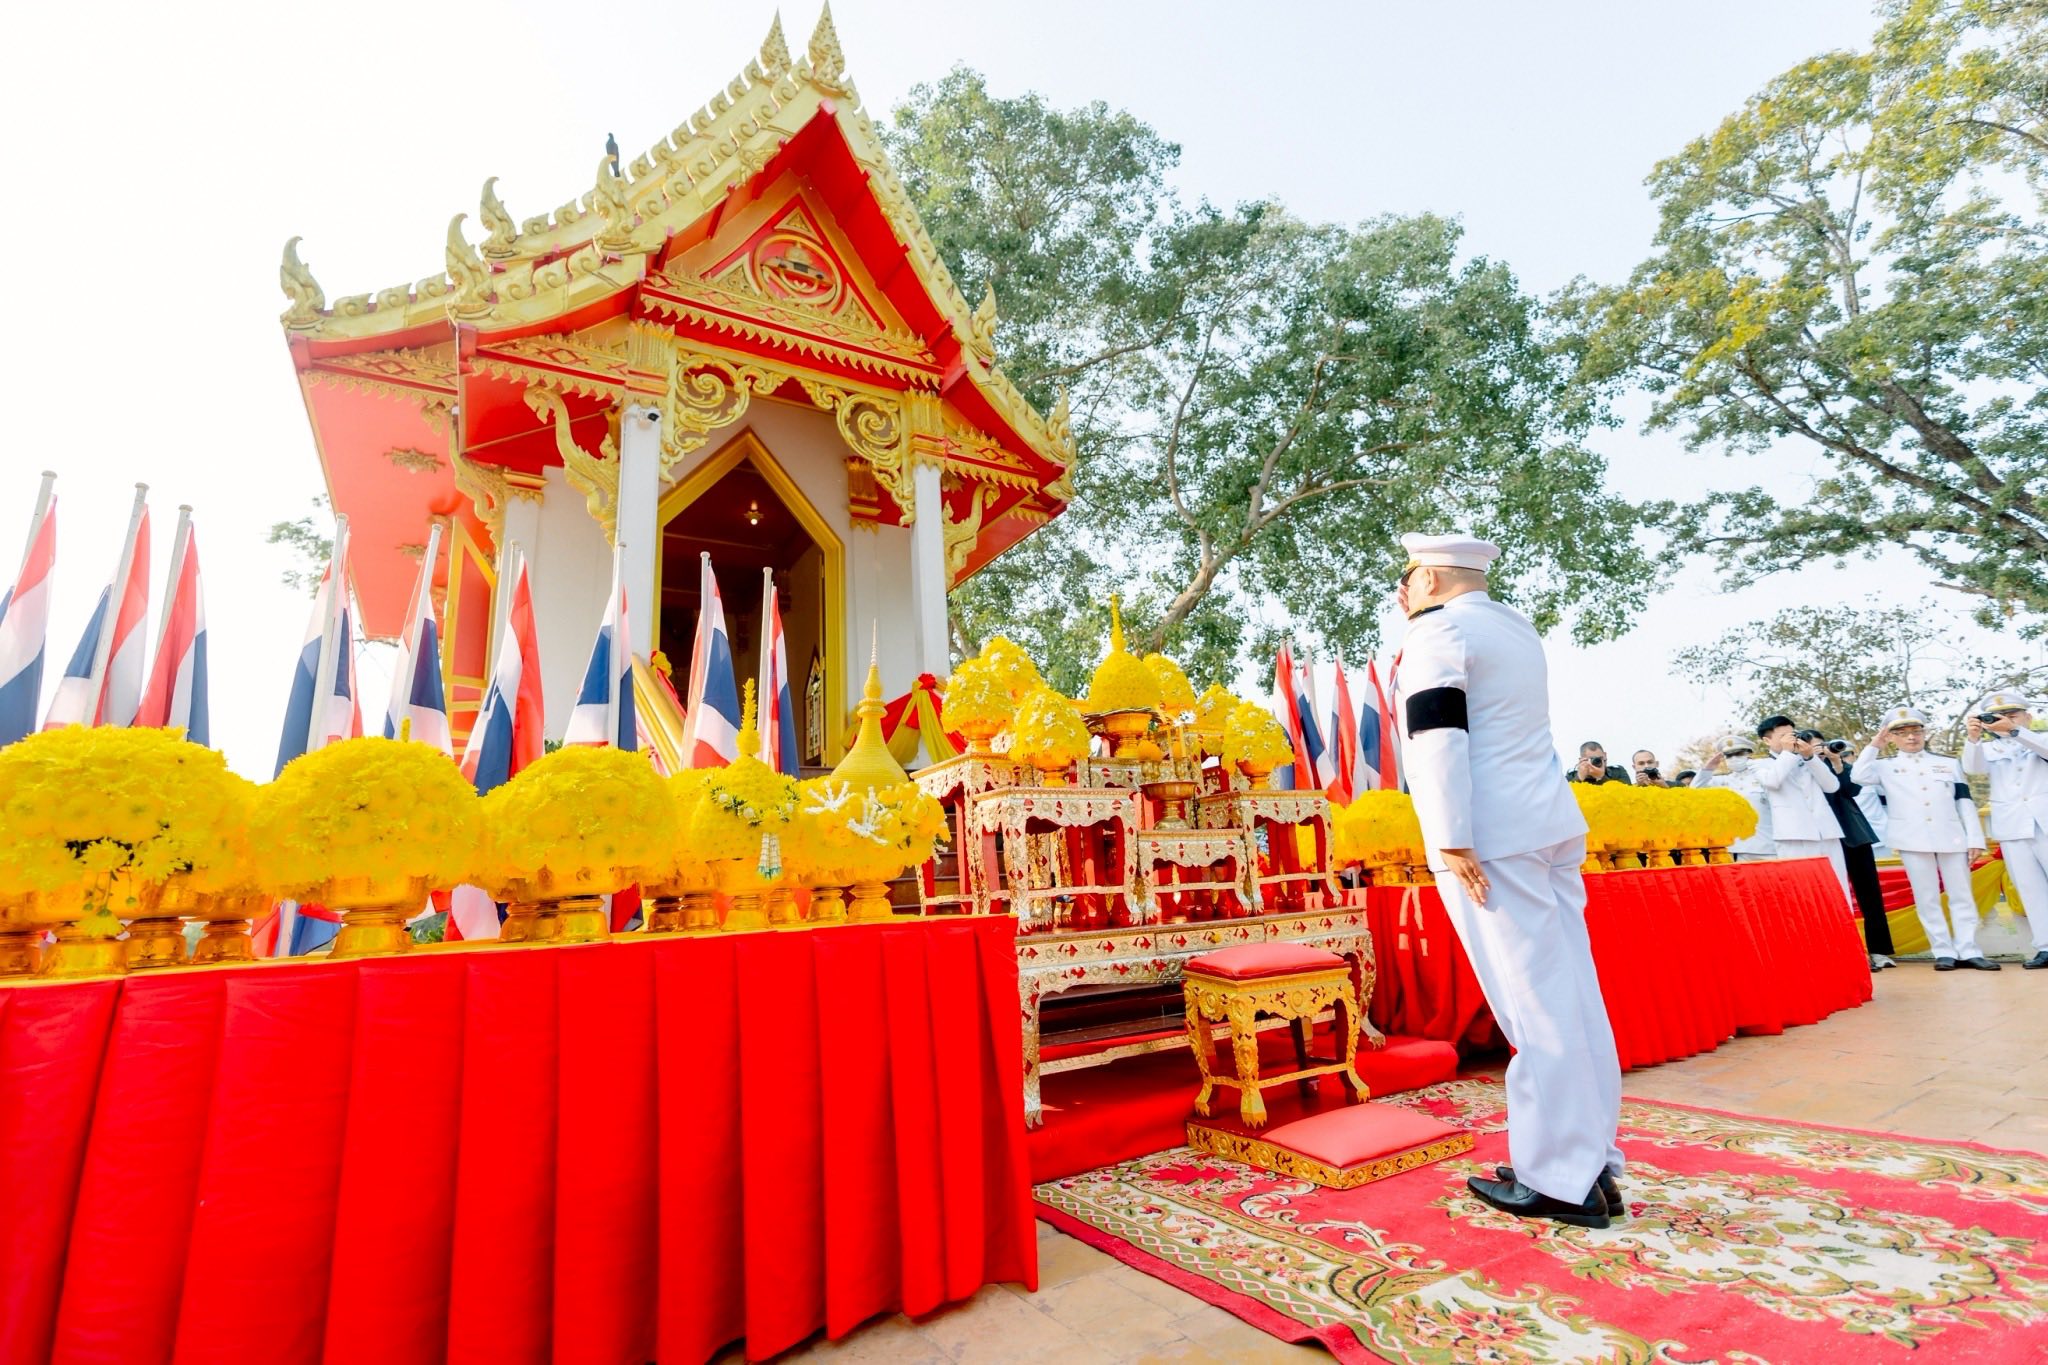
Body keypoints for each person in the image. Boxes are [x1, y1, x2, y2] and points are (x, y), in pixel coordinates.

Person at [1393, 531, 1622, 1230]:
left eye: (1407, 577)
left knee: (1534, 1005)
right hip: (1546, 820)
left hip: (1489, 833)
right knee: (1573, 995)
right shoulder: (1513, 626)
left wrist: (1450, 836)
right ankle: (1592, 1162)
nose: (1402, 592)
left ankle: (1561, 1178)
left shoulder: (1438, 631)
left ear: (1429, 578)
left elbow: (1437, 738)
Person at [1856, 705, 1996, 971]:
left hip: (1951, 836)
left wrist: (1974, 838)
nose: (1911, 737)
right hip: (1912, 839)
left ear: (1924, 733)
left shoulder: (1947, 763)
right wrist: (1874, 744)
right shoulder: (1884, 767)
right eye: (1903, 733)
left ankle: (1968, 949)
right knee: (1927, 896)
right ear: (1892, 737)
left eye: (1916, 731)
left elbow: (1963, 800)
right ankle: (1942, 950)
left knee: (1961, 895)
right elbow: (1858, 776)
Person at [1964, 691, 2048, 971]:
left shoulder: (2040, 738)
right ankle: (2046, 946)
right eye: (1998, 718)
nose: (2004, 721)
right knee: (2030, 888)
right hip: (2013, 825)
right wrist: (1974, 737)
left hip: (2045, 821)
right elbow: (1972, 768)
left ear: (2028, 717)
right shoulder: (1989, 749)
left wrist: (2014, 731)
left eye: (2012, 715)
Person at [1806, 728, 1895, 969]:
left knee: (1870, 896)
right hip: (1820, 839)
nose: (1821, 750)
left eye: (1822, 745)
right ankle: (1846, 950)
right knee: (1833, 895)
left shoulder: (1837, 765)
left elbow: (1853, 788)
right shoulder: (1800, 770)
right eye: (1814, 747)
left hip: (1853, 834)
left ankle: (1879, 950)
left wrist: (1835, 761)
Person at [1755, 714, 1852, 912]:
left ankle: (1847, 937)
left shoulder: (1808, 759)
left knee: (1838, 889)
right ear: (1767, 740)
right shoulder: (1760, 765)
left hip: (1826, 832)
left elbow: (1832, 786)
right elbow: (1773, 781)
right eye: (1783, 736)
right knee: (1803, 893)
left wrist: (1810, 758)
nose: (1791, 739)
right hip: (1793, 835)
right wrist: (1789, 754)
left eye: (1793, 734)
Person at [1691, 736, 1777, 861]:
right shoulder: (1724, 781)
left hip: (1768, 846)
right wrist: (1708, 768)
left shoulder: (1763, 775)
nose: (1734, 758)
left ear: (1749, 754)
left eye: (1738, 753)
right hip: (1738, 849)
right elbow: (1695, 790)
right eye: (1729, 756)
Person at [1567, 741, 1632, 785]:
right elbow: (1563, 798)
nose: (1596, 762)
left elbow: (1627, 794)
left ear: (1605, 755)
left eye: (1599, 758)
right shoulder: (1571, 776)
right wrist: (1579, 778)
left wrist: (1602, 777)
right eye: (1591, 759)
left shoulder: (1618, 772)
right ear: (1581, 760)